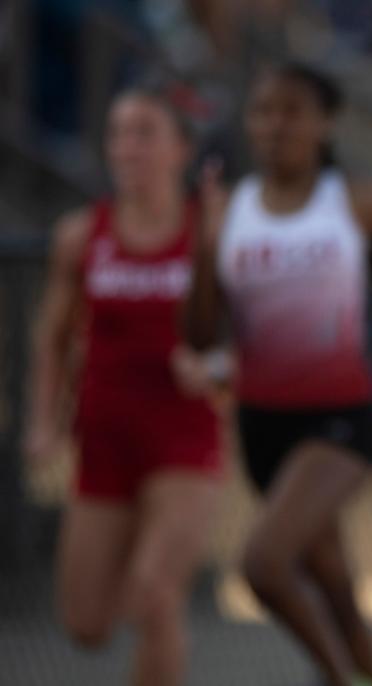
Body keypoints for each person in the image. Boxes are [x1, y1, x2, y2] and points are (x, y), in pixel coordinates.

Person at [183, 63, 372, 686]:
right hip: (261, 424)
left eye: (292, 111)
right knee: (335, 589)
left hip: (339, 419)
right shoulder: (231, 207)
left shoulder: (356, 198)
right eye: (263, 111)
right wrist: (205, 247)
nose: (275, 125)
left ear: (324, 123)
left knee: (264, 565)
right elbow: (198, 333)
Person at [24, 87, 223, 686]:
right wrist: (42, 422)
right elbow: (52, 337)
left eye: (144, 132)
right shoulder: (81, 235)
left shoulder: (209, 228)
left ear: (180, 149)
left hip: (184, 435)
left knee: (155, 596)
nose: (128, 147)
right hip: (103, 437)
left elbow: (254, 328)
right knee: (85, 624)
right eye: (118, 133)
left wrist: (217, 367)